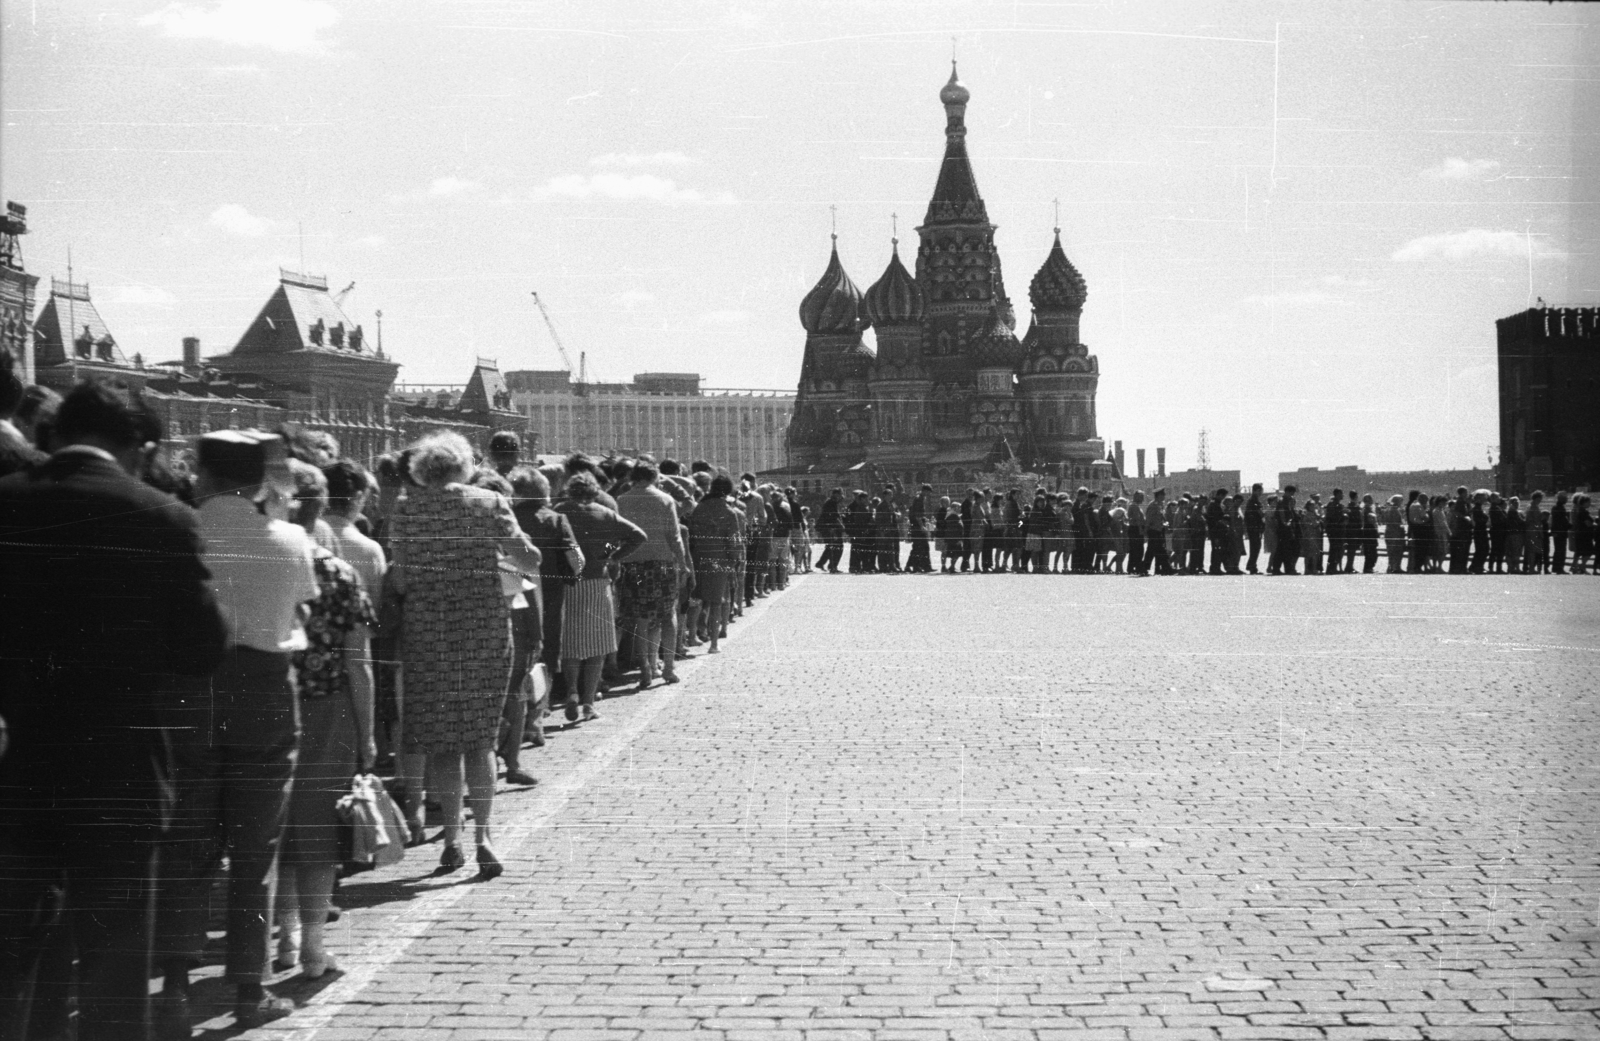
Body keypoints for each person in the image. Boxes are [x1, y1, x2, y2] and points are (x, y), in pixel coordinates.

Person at [0, 382, 229, 1041]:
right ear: (139, 447)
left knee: (19, 951)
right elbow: (200, 648)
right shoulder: (160, 515)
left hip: (18, 761)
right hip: (119, 764)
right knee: (114, 959)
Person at [152, 427, 321, 1032]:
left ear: (202, 473)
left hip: (191, 685)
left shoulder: (178, 531)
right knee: (256, 846)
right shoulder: (291, 538)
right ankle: (249, 988)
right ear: (258, 478)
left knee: (187, 838)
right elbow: (301, 604)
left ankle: (172, 981)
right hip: (266, 686)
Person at [390, 431, 541, 879]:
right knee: (480, 740)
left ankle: (451, 839)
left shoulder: (405, 509)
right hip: (484, 631)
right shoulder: (489, 503)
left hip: (428, 634)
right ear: (464, 465)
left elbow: (399, 581)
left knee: (442, 742)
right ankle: (484, 837)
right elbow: (529, 560)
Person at [274, 460, 376, 981]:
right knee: (315, 834)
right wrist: (369, 733)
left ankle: (285, 939)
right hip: (328, 711)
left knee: (276, 829)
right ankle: (314, 948)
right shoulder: (338, 574)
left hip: (269, 701)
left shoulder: (257, 558)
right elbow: (358, 664)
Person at [556, 471, 647, 720]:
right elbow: (639, 536)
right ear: (595, 491)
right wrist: (613, 555)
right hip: (598, 582)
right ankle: (588, 703)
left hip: (568, 584)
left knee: (571, 644)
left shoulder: (559, 510)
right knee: (598, 646)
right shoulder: (605, 514)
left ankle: (572, 691)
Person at [617, 461, 687, 690]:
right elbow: (674, 536)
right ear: (655, 476)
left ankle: (646, 669)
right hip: (663, 564)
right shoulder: (665, 499)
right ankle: (668, 667)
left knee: (641, 619)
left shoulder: (622, 500)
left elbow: (619, 536)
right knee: (668, 615)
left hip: (634, 566)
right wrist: (683, 563)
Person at [687, 474, 743, 654]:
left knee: (696, 598)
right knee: (716, 601)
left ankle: (691, 636)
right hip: (719, 559)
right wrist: (735, 561)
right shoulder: (729, 511)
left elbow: (692, 533)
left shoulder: (699, 507)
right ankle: (713, 643)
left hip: (698, 557)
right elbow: (733, 541)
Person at [816, 487, 845, 573]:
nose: (841, 496)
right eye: (840, 494)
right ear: (836, 494)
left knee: (831, 546)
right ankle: (833, 566)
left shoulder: (831, 502)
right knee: (838, 546)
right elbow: (833, 517)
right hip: (832, 528)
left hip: (829, 527)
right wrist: (840, 526)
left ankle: (822, 563)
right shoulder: (831, 503)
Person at [1244, 484, 1265, 573]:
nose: (1261, 492)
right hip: (1254, 527)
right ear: (1255, 490)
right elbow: (1255, 514)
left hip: (1255, 527)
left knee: (1256, 547)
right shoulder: (1252, 501)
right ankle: (1251, 566)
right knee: (1255, 547)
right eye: (1259, 491)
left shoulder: (1254, 500)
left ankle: (1251, 565)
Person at [1549, 490, 1570, 574]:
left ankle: (1556, 567)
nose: (1567, 500)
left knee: (1557, 550)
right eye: (1565, 498)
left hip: (1556, 531)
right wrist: (1570, 525)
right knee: (1561, 550)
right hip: (1561, 532)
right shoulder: (1560, 508)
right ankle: (1559, 568)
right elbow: (1562, 521)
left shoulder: (1555, 507)